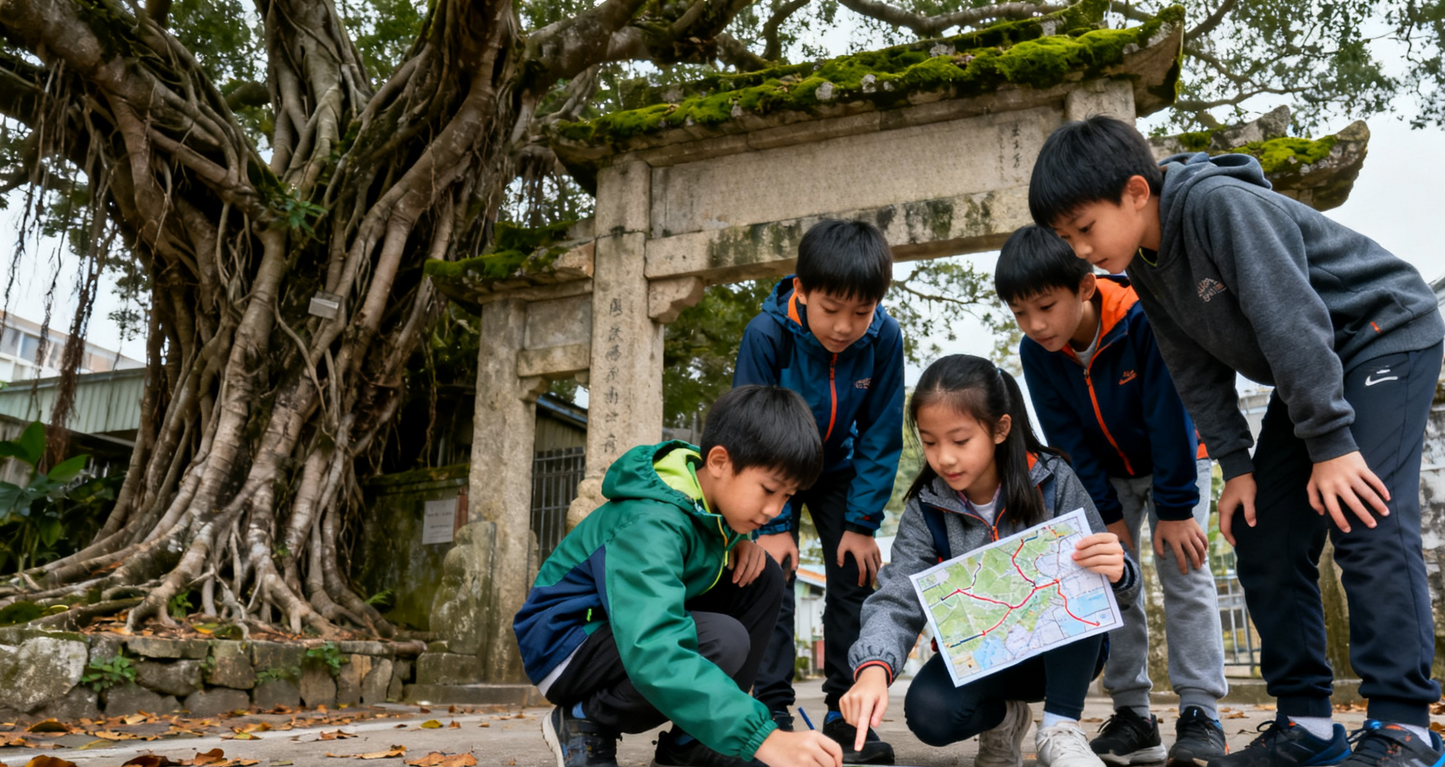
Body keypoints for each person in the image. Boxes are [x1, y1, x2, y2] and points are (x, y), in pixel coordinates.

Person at [1028, 115, 1445, 767]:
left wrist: (1332, 443)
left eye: (1084, 228)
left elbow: (1290, 321)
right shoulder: (1142, 260)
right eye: (1065, 237)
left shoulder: (1219, 207)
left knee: (1360, 510)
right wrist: (1237, 466)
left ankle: (1404, 727)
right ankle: (1306, 722)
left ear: (1136, 192)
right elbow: (1190, 364)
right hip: (1309, 369)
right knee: (1260, 527)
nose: (1078, 249)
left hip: (1380, 331)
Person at [512, 385, 843, 767]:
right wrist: (762, 736)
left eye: (787, 496)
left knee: (762, 574)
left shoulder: (709, 511)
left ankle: (694, 743)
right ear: (719, 462)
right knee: (723, 640)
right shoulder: (651, 523)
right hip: (565, 645)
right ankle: (585, 719)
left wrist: (736, 538)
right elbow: (655, 648)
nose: (774, 509)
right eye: (768, 489)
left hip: (617, 632)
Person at [996, 225, 1228, 767]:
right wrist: (1104, 514)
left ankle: (1201, 712)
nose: (1035, 325)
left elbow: (1169, 415)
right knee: (1106, 580)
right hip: (1106, 477)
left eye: (1045, 307)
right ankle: (1134, 714)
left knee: (1184, 572)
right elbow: (1067, 438)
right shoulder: (1039, 351)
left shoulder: (1142, 317)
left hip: (1176, 462)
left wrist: (1174, 509)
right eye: (1019, 314)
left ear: (1083, 286)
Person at [841, 354, 1141, 767]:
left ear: (1001, 428)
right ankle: (1004, 719)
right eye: (929, 442)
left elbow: (1120, 590)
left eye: (960, 440)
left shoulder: (1053, 481)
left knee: (1076, 572)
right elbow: (897, 597)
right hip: (983, 657)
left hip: (1062, 655)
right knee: (929, 714)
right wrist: (874, 665)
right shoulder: (926, 508)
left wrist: (1119, 569)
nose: (944, 457)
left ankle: (1060, 727)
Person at [733, 219, 905, 764]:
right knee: (770, 576)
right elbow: (750, 426)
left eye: (861, 312)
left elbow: (882, 432)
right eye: (831, 309)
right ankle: (773, 711)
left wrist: (861, 525)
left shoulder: (884, 338)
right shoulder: (767, 334)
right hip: (775, 467)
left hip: (838, 469)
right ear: (802, 291)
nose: (844, 327)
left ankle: (845, 710)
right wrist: (772, 527)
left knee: (854, 575)